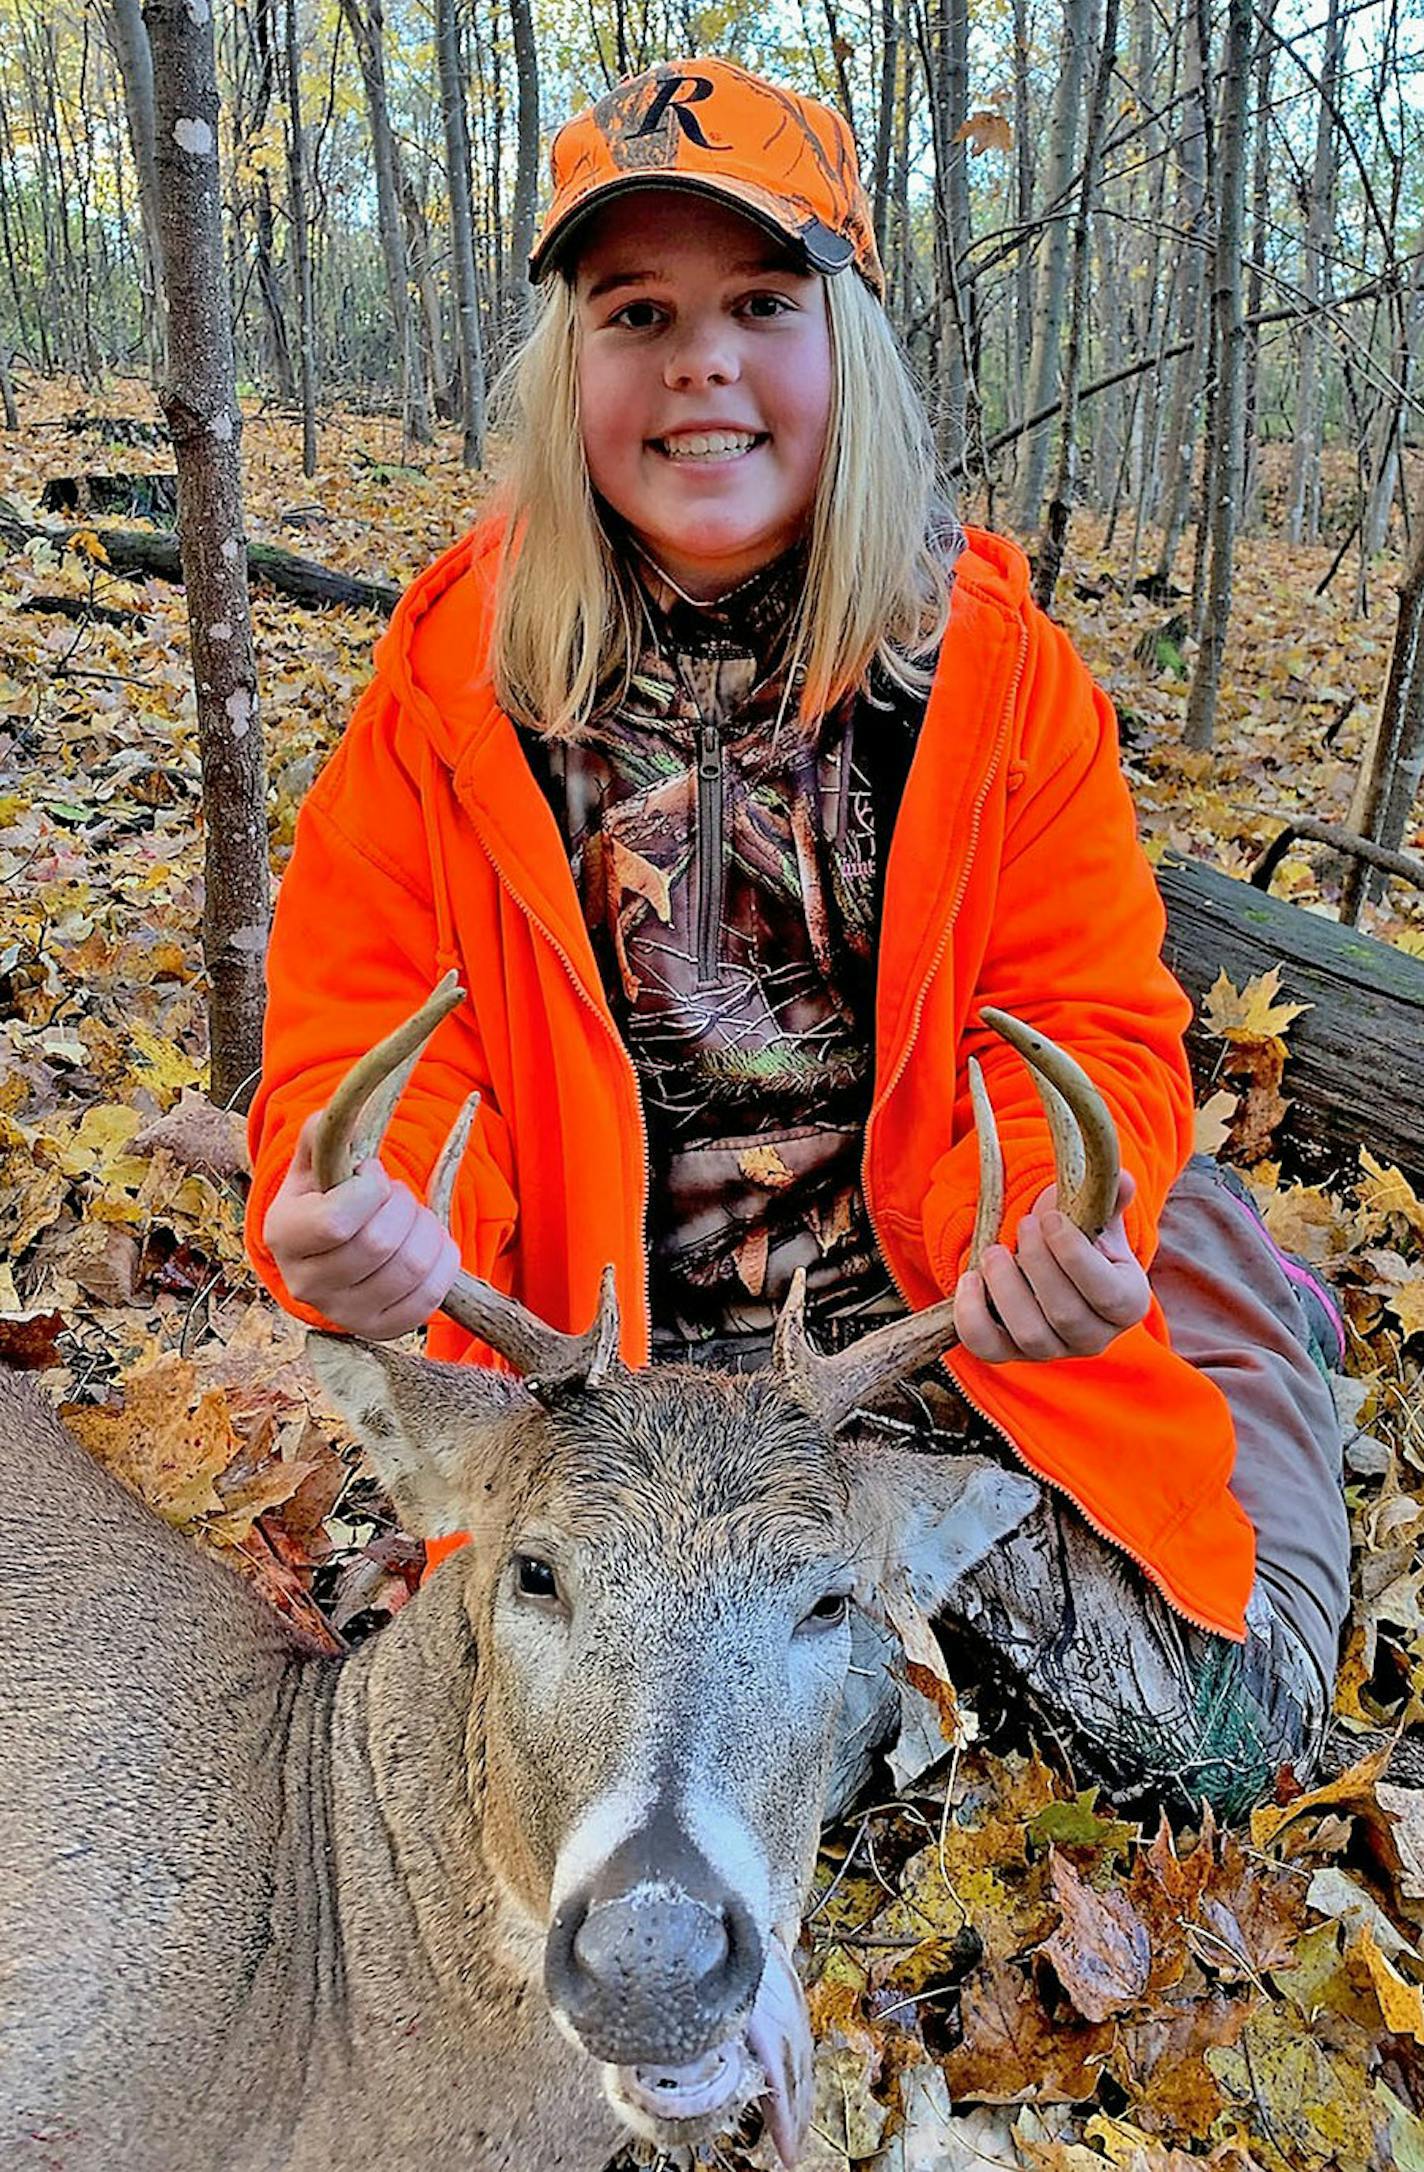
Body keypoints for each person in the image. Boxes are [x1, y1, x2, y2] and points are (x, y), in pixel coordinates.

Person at [246, 56, 1351, 1820]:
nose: (703, 361)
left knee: (1224, 1737)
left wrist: (1037, 1222)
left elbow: (1089, 1020)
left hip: (908, 1346)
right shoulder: (452, 683)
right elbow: (373, 1034)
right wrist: (385, 1225)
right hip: (608, 1386)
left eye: (764, 302)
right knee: (514, 1749)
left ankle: (1258, 1324)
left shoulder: (993, 679)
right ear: (571, 369)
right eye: (638, 312)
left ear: (849, 347)